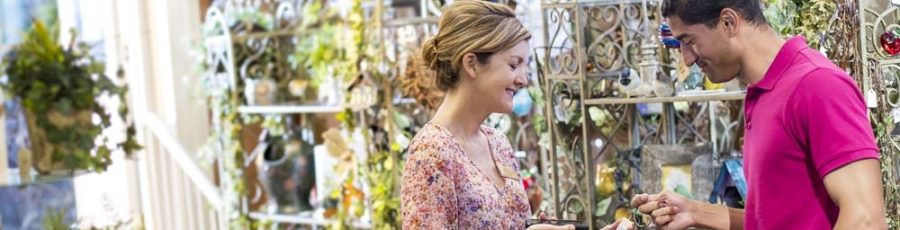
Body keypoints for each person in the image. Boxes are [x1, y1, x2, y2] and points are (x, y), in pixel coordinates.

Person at [629, 0, 888, 229]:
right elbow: (773, 220)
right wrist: (695, 212)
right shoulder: (762, 93)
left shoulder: (817, 85)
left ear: (728, 22)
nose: (686, 59)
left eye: (689, 42)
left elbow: (865, 219)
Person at [400, 1, 573, 229]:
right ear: (471, 64)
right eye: (513, 65)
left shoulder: (498, 143)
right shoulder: (431, 152)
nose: (523, 79)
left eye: (524, 66)